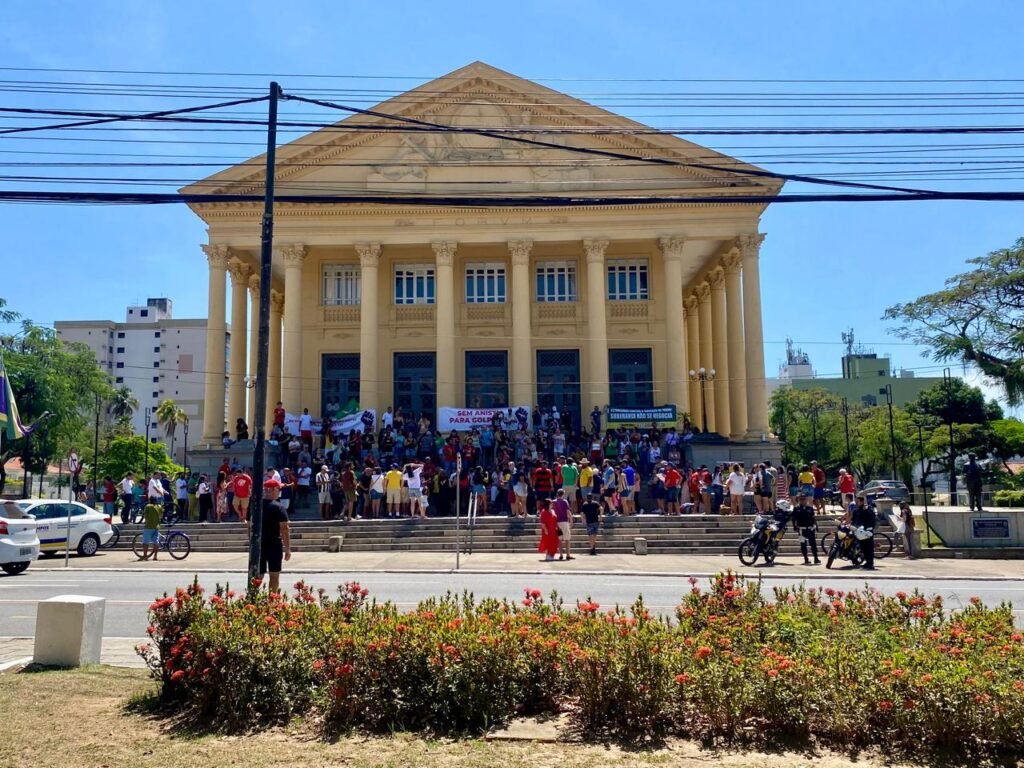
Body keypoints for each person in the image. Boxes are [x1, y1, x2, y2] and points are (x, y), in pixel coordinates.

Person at [255, 477, 291, 592]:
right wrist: (288, 548)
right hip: (274, 543)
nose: (279, 492)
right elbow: (284, 529)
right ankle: (272, 601)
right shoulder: (278, 507)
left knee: (258, 574)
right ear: (273, 489)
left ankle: (252, 598)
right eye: (278, 489)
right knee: (274, 574)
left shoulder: (255, 506)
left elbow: (249, 526)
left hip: (259, 544)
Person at [843, 495, 877, 570]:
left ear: (862, 501)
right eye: (856, 501)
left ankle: (870, 563)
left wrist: (869, 528)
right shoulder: (856, 510)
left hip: (867, 531)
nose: (856, 503)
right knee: (863, 548)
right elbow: (854, 520)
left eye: (857, 501)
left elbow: (872, 519)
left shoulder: (868, 509)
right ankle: (867, 562)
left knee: (869, 548)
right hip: (859, 532)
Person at [791, 492, 820, 565]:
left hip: (810, 528)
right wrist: (794, 526)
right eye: (801, 499)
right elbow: (793, 518)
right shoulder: (796, 508)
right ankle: (806, 558)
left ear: (806, 499)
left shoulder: (810, 507)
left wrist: (816, 526)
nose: (802, 500)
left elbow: (813, 518)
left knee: (813, 544)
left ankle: (816, 557)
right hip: (801, 529)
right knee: (803, 545)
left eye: (804, 499)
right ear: (799, 500)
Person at [553, 488, 574, 561]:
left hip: (557, 523)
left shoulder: (554, 502)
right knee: (567, 539)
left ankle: (561, 555)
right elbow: (568, 511)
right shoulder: (565, 501)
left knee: (560, 539)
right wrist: (571, 521)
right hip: (564, 522)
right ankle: (568, 555)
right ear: (563, 494)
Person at [537, 498, 559, 562]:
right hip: (548, 530)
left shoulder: (553, 511)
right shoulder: (544, 512)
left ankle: (551, 555)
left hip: (554, 530)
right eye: (551, 503)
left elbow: (555, 520)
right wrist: (546, 530)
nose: (552, 504)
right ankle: (548, 555)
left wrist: (557, 528)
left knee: (554, 542)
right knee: (548, 543)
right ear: (547, 504)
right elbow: (543, 523)